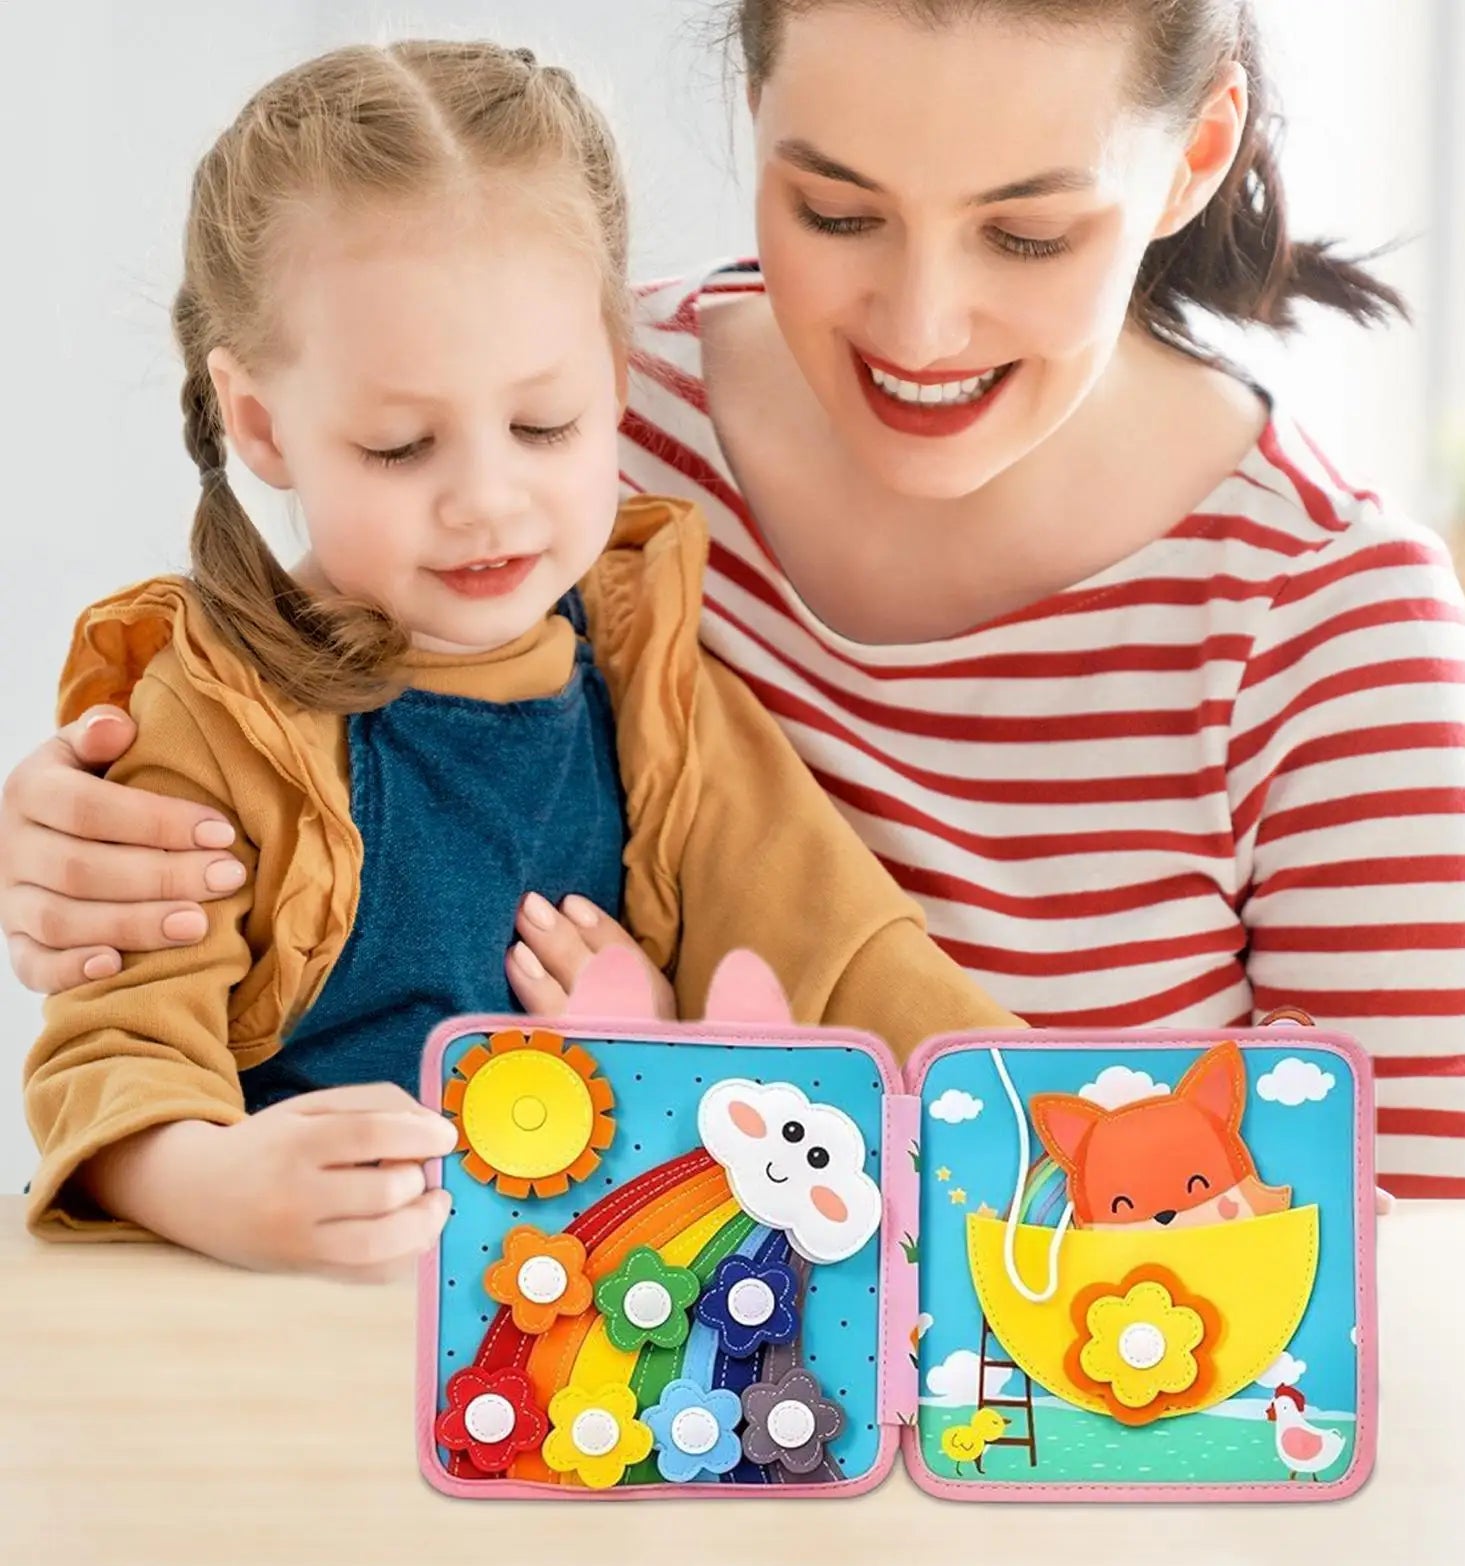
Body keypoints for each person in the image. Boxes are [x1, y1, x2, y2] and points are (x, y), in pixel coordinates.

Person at [0, 1, 1465, 1200]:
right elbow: (273, 733)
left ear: (1192, 156)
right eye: (838, 211)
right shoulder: (577, 426)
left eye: (1026, 232)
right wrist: (85, 837)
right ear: (756, 118)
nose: (921, 328)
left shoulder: (1330, 630)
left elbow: (1416, 1311)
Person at [15, 38, 1017, 1273]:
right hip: (302, 1357)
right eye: (399, 445)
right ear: (263, 423)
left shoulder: (653, 685)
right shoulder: (216, 712)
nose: (487, 500)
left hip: (595, 1357)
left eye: (544, 425)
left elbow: (844, 948)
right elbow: (115, 1049)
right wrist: (209, 1179)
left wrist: (1040, 1128)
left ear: (614, 377)